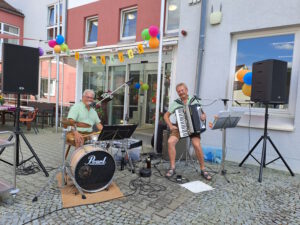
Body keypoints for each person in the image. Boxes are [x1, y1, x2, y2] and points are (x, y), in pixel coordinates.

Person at [163, 83, 211, 180]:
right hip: (180, 127)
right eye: (179, 91)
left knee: (196, 145)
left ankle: (203, 169)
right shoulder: (176, 103)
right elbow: (166, 115)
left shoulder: (195, 100)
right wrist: (171, 126)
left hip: (194, 127)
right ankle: (172, 168)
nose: (181, 92)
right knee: (170, 142)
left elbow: (202, 113)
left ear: (186, 90)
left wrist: (203, 116)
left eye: (182, 90)